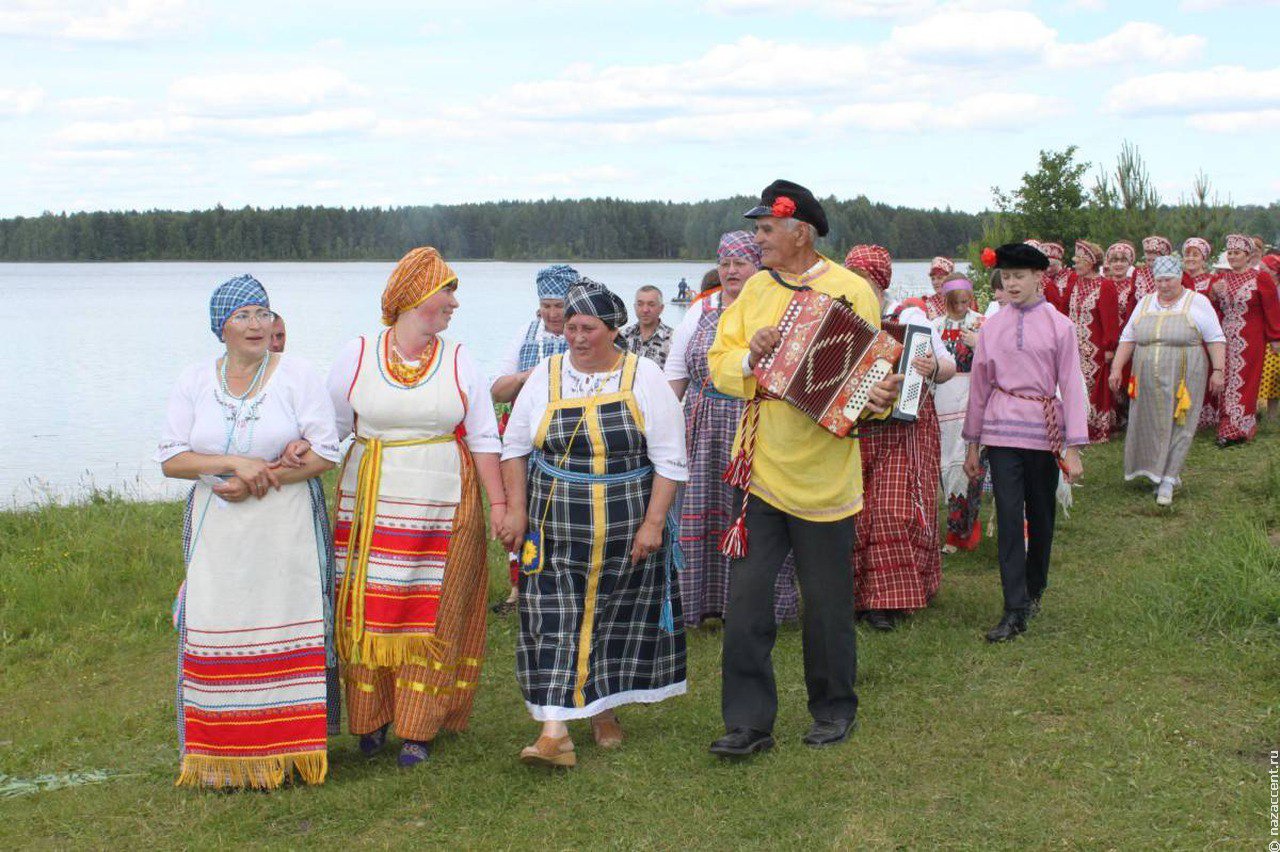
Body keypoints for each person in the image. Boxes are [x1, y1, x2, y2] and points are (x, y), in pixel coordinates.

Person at [706, 179, 901, 757]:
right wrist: (751, 354)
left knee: (827, 604)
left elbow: (870, 375)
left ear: (802, 233)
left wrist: (880, 395)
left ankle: (834, 709)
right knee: (746, 603)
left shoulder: (851, 289)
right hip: (762, 469)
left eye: (767, 230)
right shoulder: (755, 292)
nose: (757, 239)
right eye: (758, 229)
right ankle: (747, 723)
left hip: (825, 472)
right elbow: (719, 364)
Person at [157, 274, 342, 789]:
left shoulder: (296, 374)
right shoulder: (195, 380)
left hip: (284, 527)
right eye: (244, 316)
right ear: (221, 328)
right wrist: (234, 462)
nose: (257, 324)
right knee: (217, 624)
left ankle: (287, 754)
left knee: (282, 620)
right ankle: (221, 757)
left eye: (263, 313)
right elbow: (172, 458)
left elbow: (326, 451)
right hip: (217, 529)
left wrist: (264, 478)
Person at [327, 247, 505, 768]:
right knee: (370, 605)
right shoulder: (357, 353)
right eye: (446, 291)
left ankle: (419, 728)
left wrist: (499, 503)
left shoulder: (458, 357)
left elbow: (483, 434)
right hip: (369, 502)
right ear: (414, 297)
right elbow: (330, 429)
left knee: (434, 610)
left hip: (445, 505)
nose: (453, 303)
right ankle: (370, 718)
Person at [499, 279, 688, 768]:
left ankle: (603, 710)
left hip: (625, 518)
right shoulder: (545, 373)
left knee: (611, 615)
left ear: (613, 330)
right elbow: (515, 447)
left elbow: (670, 460)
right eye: (570, 328)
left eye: (588, 328)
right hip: (554, 518)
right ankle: (554, 732)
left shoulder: (643, 376)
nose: (577, 338)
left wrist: (654, 523)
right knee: (553, 616)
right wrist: (516, 510)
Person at [665, 231, 800, 628]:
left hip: (759, 426)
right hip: (705, 429)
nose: (730, 271)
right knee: (705, 516)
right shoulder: (701, 309)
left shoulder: (777, 307)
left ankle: (760, 610)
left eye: (740, 263)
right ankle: (704, 604)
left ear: (757, 265)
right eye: (724, 263)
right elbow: (675, 376)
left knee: (758, 518)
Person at [963, 243, 1086, 643]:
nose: (1011, 283)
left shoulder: (1059, 325)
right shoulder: (992, 328)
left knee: (1042, 515)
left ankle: (1034, 589)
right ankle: (1013, 608)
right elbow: (979, 387)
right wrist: (971, 444)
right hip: (1001, 429)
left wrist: (1073, 446)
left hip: (1042, 429)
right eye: (1006, 277)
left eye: (1019, 276)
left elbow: (1071, 383)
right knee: (1010, 516)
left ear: (1039, 278)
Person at [844, 244, 955, 631]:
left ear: (878, 284)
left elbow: (948, 366)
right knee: (855, 512)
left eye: (863, 281)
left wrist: (930, 365)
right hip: (855, 430)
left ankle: (887, 601)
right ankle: (858, 597)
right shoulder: (840, 315)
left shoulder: (907, 315)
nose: (856, 287)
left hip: (905, 427)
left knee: (890, 509)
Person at [1108, 256, 1226, 505]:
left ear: (1180, 277)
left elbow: (1216, 337)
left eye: (1169, 279)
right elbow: (1128, 337)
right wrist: (1116, 368)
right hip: (1146, 374)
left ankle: (1169, 479)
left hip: (1185, 372)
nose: (1164, 285)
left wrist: (1218, 370)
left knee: (1181, 421)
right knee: (1151, 421)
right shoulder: (1145, 302)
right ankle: (1157, 470)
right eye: (1159, 280)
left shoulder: (1198, 302)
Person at [1208, 234, 1280, 445]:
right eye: (1229, 253)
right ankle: (1226, 422)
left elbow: (1271, 309)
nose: (1232, 257)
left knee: (1245, 380)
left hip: (1251, 338)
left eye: (1237, 253)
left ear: (1248, 255)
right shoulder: (1221, 279)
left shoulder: (1261, 278)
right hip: (1225, 337)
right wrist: (1213, 294)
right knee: (1226, 379)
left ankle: (1238, 428)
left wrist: (1275, 337)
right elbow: (1214, 310)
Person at [933, 274, 986, 553]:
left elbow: (995, 362)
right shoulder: (934, 326)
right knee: (947, 465)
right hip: (942, 400)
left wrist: (979, 343)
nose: (963, 306)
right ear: (947, 301)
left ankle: (967, 527)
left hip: (970, 397)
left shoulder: (981, 324)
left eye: (967, 300)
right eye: (957, 303)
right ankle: (955, 527)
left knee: (968, 463)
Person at [491, 264, 578, 405]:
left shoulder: (585, 334)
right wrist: (524, 377)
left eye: (559, 306)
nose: (552, 314)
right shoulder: (527, 332)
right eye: (546, 306)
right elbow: (497, 393)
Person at [1066, 239, 1119, 443]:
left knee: (1095, 386)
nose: (1075, 264)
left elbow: (1110, 319)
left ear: (1090, 262)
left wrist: (1109, 346)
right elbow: (1065, 309)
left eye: (1079, 260)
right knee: (1076, 384)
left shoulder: (1105, 286)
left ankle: (1097, 429)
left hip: (1095, 347)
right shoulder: (1074, 282)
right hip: (1074, 344)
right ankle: (1078, 425)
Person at [620, 285, 673, 368]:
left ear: (661, 308)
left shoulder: (673, 339)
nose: (645, 310)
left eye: (651, 305)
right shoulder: (622, 336)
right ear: (634, 307)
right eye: (640, 304)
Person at [1258, 254, 1280, 417]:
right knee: (1260, 376)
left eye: (1264, 269)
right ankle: (1257, 412)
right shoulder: (1260, 285)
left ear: (1274, 271)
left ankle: (1271, 416)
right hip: (1261, 335)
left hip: (1275, 337)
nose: (1261, 271)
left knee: (1274, 377)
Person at [1133, 235, 1173, 301]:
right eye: (1148, 260)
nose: (1151, 264)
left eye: (1154, 260)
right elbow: (1132, 300)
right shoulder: (1139, 273)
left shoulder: (1173, 274)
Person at [1040, 242, 1070, 314]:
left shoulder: (1070, 277)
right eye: (1045, 266)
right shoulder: (1041, 278)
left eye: (1051, 266)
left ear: (1059, 263)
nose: (1048, 269)